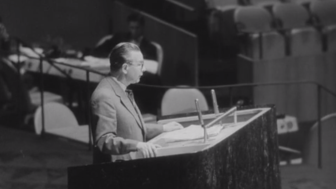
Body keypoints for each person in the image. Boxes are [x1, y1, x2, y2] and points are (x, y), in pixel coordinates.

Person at [91, 42, 182, 163]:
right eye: (140, 64)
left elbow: (131, 128)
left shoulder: (120, 89)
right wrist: (137, 145)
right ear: (125, 68)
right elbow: (104, 140)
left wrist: (163, 128)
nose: (144, 69)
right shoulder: (104, 95)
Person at [91, 12, 162, 115]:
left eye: (137, 28)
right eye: (131, 27)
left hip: (138, 81)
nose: (134, 31)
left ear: (142, 28)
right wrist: (112, 55)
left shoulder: (150, 47)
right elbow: (97, 51)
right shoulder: (119, 38)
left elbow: (152, 68)